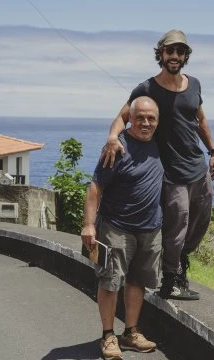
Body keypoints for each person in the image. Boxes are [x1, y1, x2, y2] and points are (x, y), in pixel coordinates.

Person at [102, 29, 214, 301]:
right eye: (170, 51)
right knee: (176, 226)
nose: (175, 56)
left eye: (180, 52)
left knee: (200, 221)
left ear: (185, 56)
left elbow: (201, 120)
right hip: (172, 173)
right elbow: (123, 116)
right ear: (161, 54)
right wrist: (112, 137)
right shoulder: (148, 88)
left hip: (198, 168)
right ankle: (171, 279)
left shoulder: (194, 85)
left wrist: (213, 152)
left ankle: (180, 263)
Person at [82, 96, 163, 360]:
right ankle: (108, 336)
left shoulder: (161, 145)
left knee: (138, 280)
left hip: (150, 228)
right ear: (130, 118)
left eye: (151, 118)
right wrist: (88, 225)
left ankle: (130, 332)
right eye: (140, 117)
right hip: (116, 227)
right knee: (110, 281)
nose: (146, 123)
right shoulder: (117, 147)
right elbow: (95, 187)